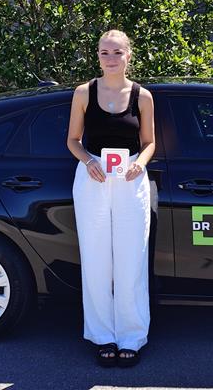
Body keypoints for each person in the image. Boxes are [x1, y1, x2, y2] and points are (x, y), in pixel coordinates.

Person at [66, 29, 156, 368]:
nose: (111, 58)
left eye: (117, 52)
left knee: (132, 261)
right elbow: (73, 140)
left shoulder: (142, 96)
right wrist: (88, 161)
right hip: (93, 178)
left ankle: (132, 336)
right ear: (98, 56)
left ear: (128, 55)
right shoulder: (83, 93)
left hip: (131, 180)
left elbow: (149, 142)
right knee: (95, 261)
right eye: (105, 52)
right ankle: (102, 336)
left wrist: (140, 164)